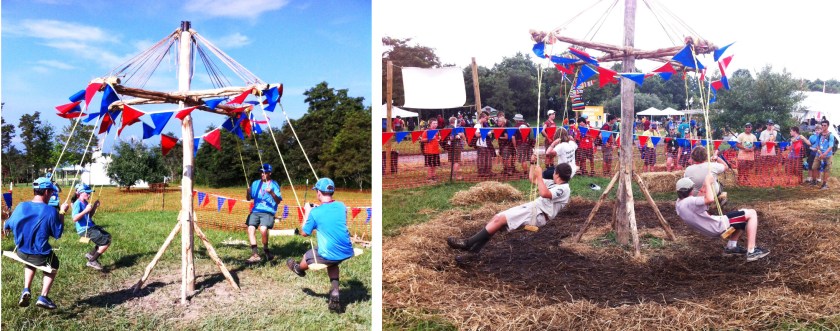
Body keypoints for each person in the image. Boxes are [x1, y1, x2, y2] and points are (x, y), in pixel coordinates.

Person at [446, 158, 573, 263]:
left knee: (498, 219)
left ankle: (467, 243)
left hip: (538, 214)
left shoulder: (564, 189)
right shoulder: (554, 183)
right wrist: (532, 164)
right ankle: (473, 253)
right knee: (496, 219)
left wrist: (540, 176)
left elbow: (544, 193)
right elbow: (532, 179)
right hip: (532, 208)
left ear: (557, 173)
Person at [286, 178, 354, 312]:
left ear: (318, 193)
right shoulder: (341, 206)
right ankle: (334, 291)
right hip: (346, 250)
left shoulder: (315, 213)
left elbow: (304, 233)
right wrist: (318, 210)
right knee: (333, 263)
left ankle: (298, 268)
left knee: (308, 255)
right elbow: (331, 215)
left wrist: (307, 212)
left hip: (329, 252)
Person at [3, 177, 68, 309]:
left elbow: (7, 226)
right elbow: (57, 234)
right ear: (46, 192)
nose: (52, 195)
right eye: (51, 192)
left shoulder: (21, 206)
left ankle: (26, 289)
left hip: (21, 252)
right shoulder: (51, 211)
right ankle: (43, 296)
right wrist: (62, 213)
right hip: (40, 256)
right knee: (54, 263)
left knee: (30, 261)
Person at [675, 174, 770, 262]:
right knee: (752, 214)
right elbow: (710, 199)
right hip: (718, 225)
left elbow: (699, 201)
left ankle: (731, 247)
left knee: (742, 213)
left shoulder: (679, 204)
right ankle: (752, 251)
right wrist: (708, 183)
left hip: (711, 228)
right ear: (690, 190)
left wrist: (705, 185)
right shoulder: (690, 201)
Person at [244, 163, 282, 263]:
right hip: (255, 211)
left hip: (268, 212)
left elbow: (278, 201)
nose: (262, 174)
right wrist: (248, 192)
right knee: (250, 228)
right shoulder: (256, 183)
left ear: (270, 173)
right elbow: (249, 199)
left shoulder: (274, 184)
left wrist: (272, 193)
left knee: (263, 229)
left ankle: (266, 250)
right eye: (261, 172)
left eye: (264, 172)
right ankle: (255, 254)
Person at [72, 183, 111, 271]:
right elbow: (74, 219)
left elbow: (89, 216)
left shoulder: (85, 202)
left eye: (90, 193)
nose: (89, 195)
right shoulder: (77, 203)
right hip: (84, 229)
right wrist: (85, 211)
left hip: (91, 226)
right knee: (105, 243)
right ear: (81, 193)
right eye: (87, 193)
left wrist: (94, 207)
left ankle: (91, 254)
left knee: (108, 236)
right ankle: (92, 261)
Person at [473, 111, 495, 178]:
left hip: (484, 143)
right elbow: (477, 135)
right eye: (485, 118)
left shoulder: (481, 125)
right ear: (482, 118)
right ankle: (481, 172)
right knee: (481, 158)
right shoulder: (478, 125)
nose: (486, 120)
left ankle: (487, 171)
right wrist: (489, 133)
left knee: (487, 157)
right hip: (480, 144)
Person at [814, 120, 835, 189]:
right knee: (814, 167)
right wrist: (820, 152)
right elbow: (817, 144)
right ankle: (815, 181)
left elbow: (831, 146)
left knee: (827, 170)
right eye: (822, 125)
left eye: (825, 125)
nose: (823, 127)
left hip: (828, 155)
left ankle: (824, 184)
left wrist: (824, 154)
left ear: (828, 126)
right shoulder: (819, 134)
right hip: (819, 154)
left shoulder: (830, 135)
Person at [444, 116, 464, 180]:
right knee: (456, 161)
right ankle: (455, 176)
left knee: (451, 161)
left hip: (449, 146)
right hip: (456, 145)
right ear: (455, 121)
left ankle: (452, 175)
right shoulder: (457, 128)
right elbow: (461, 136)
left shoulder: (446, 128)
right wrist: (459, 135)